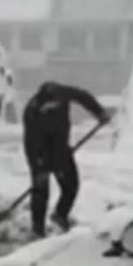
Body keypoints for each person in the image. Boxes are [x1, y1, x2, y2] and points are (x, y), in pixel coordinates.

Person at [22, 81, 111, 237]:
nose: (53, 107)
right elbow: (31, 144)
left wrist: (99, 113)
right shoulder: (32, 112)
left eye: (56, 104)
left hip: (61, 149)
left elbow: (83, 97)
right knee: (41, 191)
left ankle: (60, 215)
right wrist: (38, 167)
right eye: (49, 106)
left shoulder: (63, 93)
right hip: (40, 152)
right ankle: (37, 228)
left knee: (71, 186)